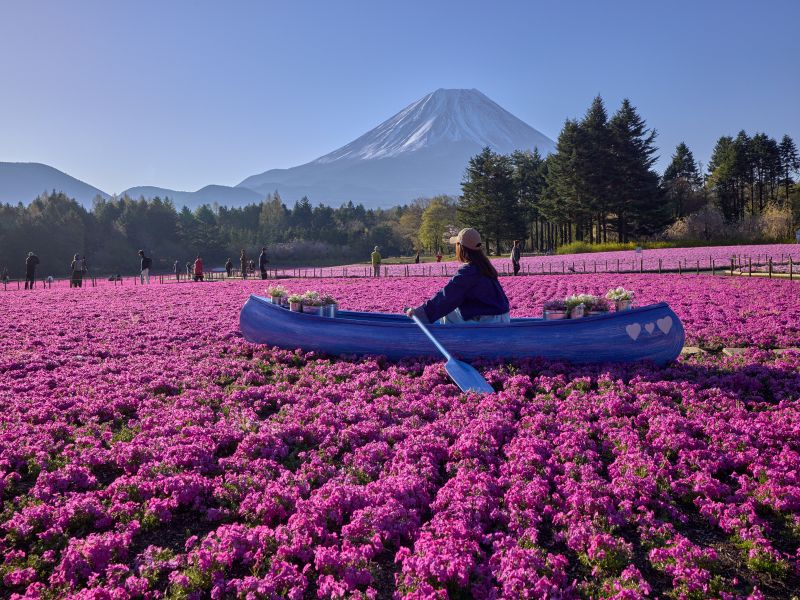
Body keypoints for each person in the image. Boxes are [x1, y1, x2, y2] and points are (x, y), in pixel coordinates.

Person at [405, 228, 510, 325]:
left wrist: (419, 314)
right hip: (502, 317)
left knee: (447, 314)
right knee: (452, 310)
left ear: (460, 247)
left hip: (489, 322)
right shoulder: (484, 266)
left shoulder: (469, 271)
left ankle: (451, 342)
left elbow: (447, 296)